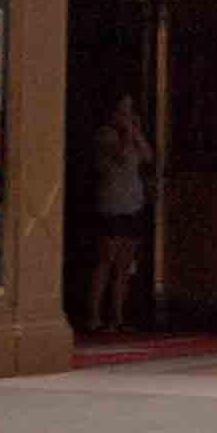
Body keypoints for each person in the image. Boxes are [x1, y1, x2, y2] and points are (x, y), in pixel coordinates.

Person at [84, 95, 153, 336]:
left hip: (132, 204)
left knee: (124, 265)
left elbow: (147, 156)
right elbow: (121, 157)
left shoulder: (133, 136)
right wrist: (125, 133)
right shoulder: (106, 136)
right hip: (111, 204)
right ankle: (93, 316)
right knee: (105, 262)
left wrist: (135, 132)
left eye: (130, 109)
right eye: (123, 109)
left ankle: (118, 317)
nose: (127, 114)